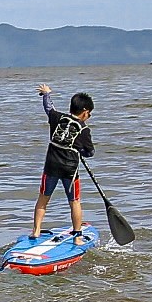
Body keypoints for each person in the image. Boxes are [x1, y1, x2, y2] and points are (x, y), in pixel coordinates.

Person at [32, 84, 95, 244]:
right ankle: (77, 237)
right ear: (85, 112)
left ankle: (36, 231)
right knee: (74, 201)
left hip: (51, 167)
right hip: (70, 170)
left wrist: (46, 94)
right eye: (90, 114)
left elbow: (48, 107)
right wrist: (80, 149)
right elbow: (90, 152)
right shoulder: (84, 129)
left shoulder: (57, 118)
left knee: (43, 199)